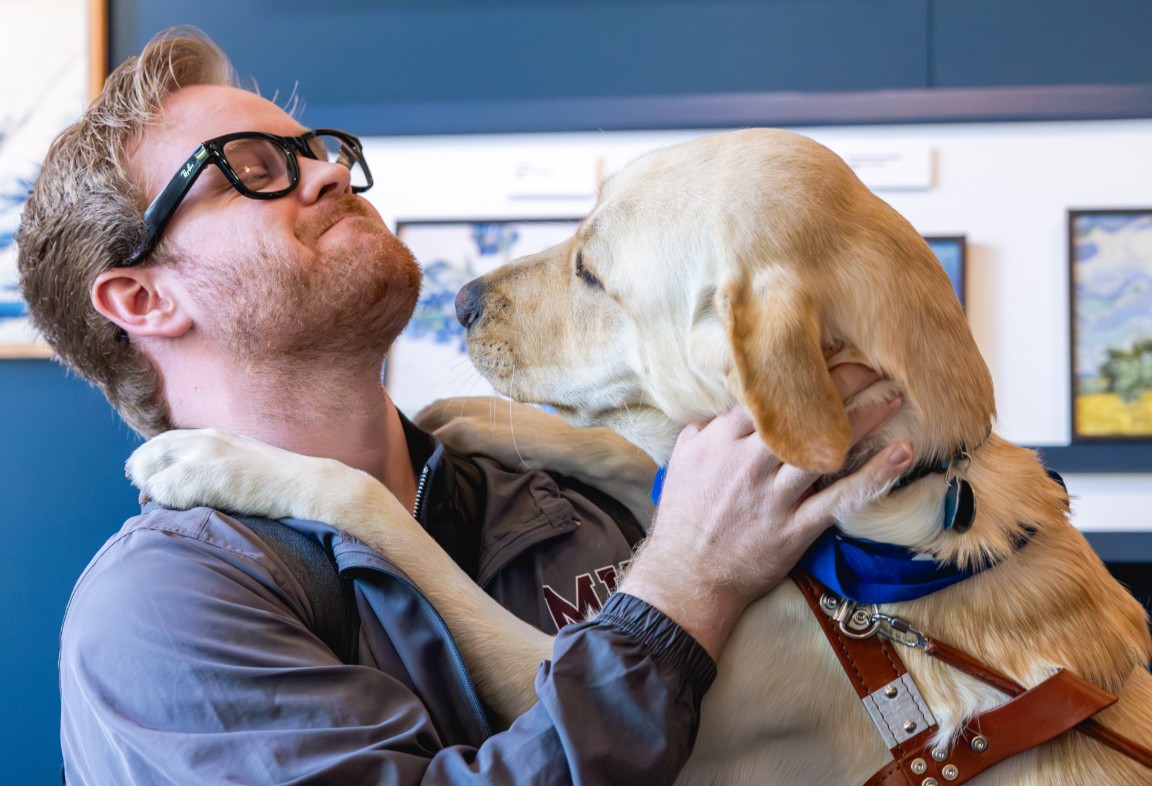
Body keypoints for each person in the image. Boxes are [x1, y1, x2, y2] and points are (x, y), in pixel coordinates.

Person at [17, 27, 913, 785]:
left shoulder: (558, 492)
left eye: (315, 150)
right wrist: (682, 595)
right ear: (143, 302)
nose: (327, 174)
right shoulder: (164, 614)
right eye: (249, 169)